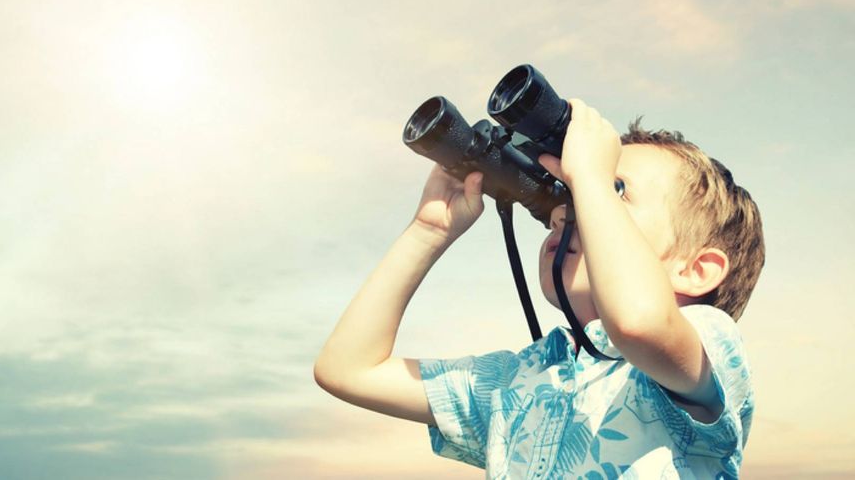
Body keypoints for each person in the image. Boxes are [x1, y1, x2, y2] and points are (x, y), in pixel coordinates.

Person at [313, 98, 765, 478]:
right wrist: (427, 232)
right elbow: (349, 370)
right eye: (566, 192)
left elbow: (641, 323)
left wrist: (589, 180)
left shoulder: (706, 348)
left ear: (696, 270)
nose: (568, 207)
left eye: (616, 190)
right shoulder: (517, 380)